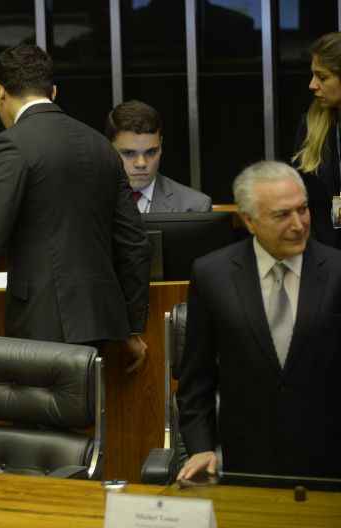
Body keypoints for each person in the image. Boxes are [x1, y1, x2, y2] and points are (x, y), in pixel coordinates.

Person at [0, 44, 150, 371]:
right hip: (101, 323)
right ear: (53, 91)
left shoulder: (10, 143)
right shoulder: (100, 145)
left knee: (45, 422)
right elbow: (134, 242)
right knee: (90, 418)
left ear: (0, 92)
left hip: (41, 321)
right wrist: (134, 327)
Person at [177, 161, 341, 481]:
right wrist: (201, 447)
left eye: (303, 209)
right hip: (247, 459)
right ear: (249, 221)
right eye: (282, 215)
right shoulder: (213, 274)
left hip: (330, 461)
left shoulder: (337, 271)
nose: (298, 224)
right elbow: (197, 377)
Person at [105, 100, 211, 213]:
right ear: (108, 148)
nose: (141, 163)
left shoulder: (194, 207)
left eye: (151, 152)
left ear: (160, 145)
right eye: (129, 153)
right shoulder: (87, 200)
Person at [292, 32, 341, 248]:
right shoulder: (311, 125)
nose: (312, 85)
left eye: (322, 77)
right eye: (313, 75)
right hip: (325, 252)